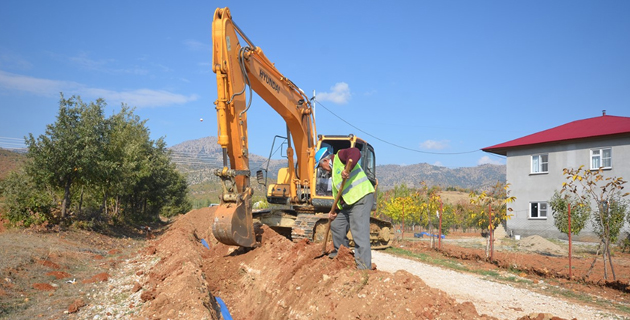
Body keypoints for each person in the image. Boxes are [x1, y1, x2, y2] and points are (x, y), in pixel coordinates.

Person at [315, 146, 375, 270]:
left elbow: (355, 152)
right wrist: (335, 211)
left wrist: (348, 168)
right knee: (337, 225)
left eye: (321, 166)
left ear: (325, 161)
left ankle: (364, 267)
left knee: (359, 232)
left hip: (361, 198)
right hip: (348, 204)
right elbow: (340, 196)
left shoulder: (340, 156)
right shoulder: (333, 176)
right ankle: (342, 254)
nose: (322, 169)